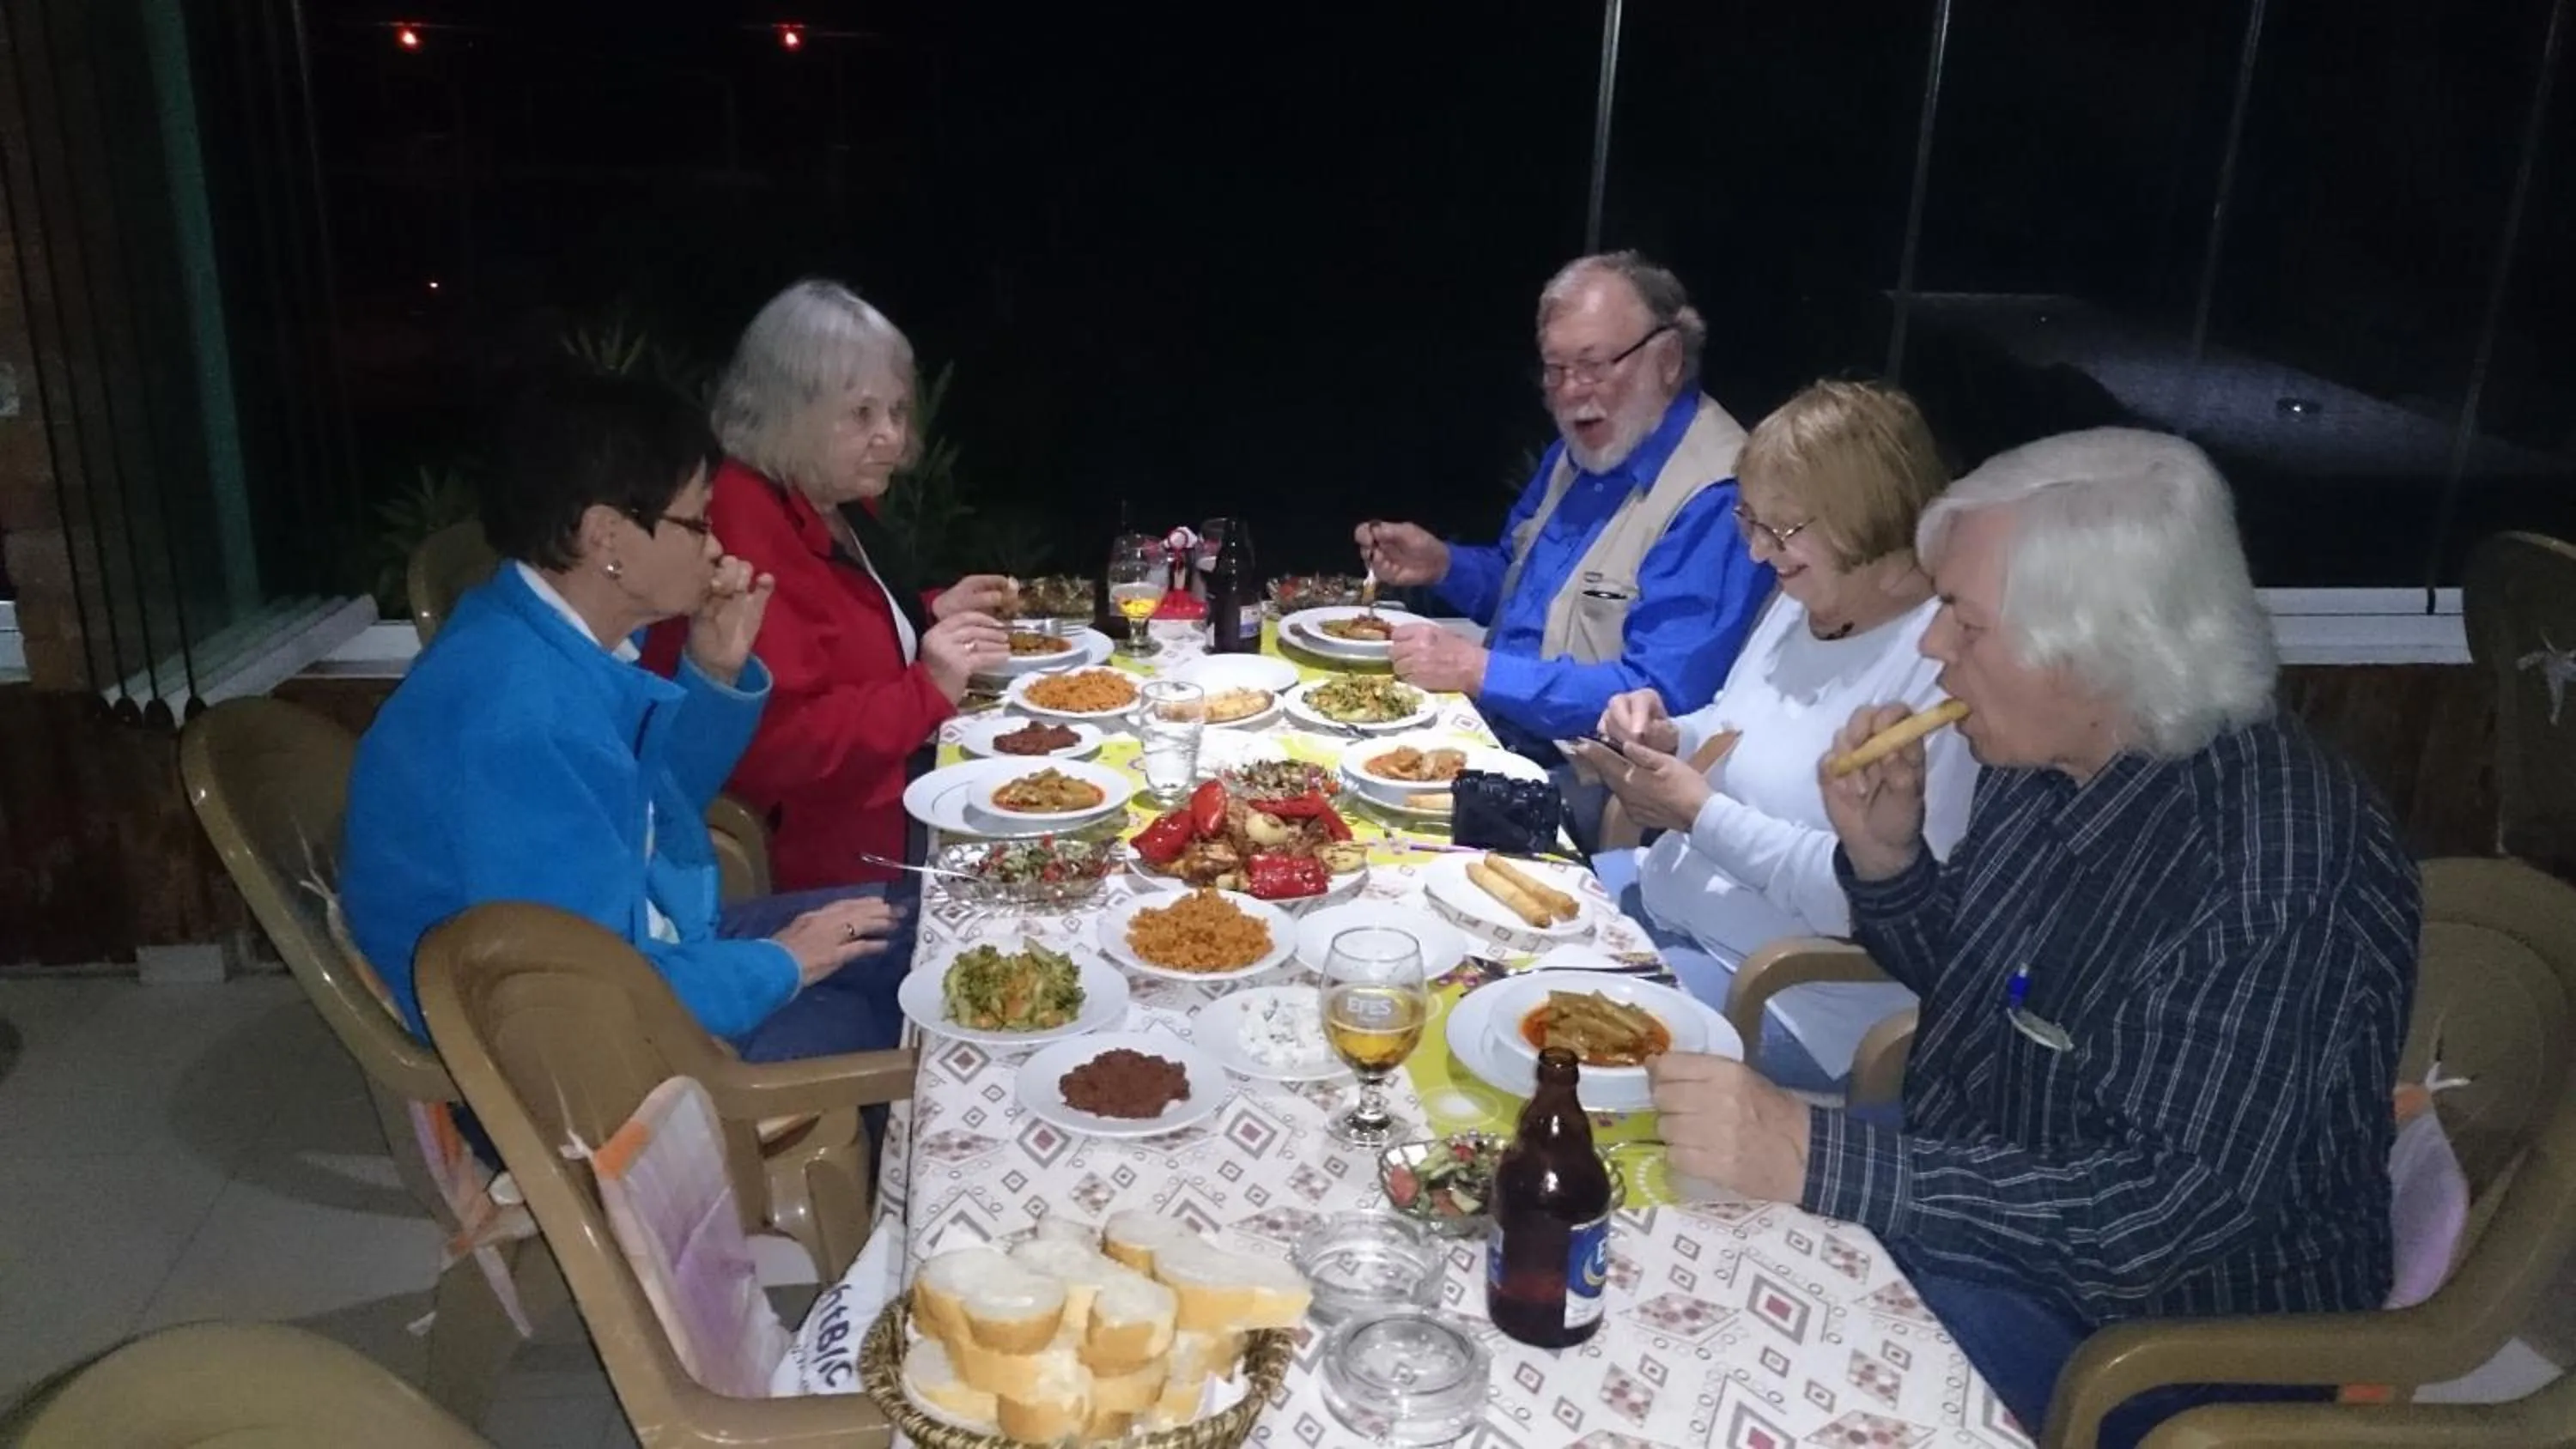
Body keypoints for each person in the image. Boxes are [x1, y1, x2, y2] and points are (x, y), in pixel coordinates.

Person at [1641, 429, 2418, 1446]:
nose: (1929, 649)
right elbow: (1987, 994)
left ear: (2090, 647)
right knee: (1658, 1198)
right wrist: (1890, 864)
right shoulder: (2046, 755)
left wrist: (1821, 1158)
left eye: (1961, 619)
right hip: (1988, 1183)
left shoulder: (2278, 865)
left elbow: (2162, 1217)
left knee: (1754, 1378)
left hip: (2162, 1332)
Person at [342, 373, 914, 1064]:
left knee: (935, 932)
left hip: (656, 946)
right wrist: (784, 962)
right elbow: (586, 996)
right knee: (920, 1036)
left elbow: (637, 808)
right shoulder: (517, 717)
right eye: (699, 521)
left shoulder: (550, 639)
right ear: (606, 536)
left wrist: (713, 671)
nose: (717, 546)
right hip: (587, 1062)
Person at [1571, 381, 1973, 1089]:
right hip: (1669, 905)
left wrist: (1698, 814)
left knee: (1547, 1041)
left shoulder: (1947, 667)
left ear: (1867, 517)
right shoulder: (1808, 597)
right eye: (1749, 522)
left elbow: (1873, 901)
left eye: (1782, 530)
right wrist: (1666, 734)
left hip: (1788, 999)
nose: (1758, 554)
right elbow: (1734, 726)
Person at [1354, 252, 1773, 846]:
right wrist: (1442, 565)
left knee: (1374, 835)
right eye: (1556, 369)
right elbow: (1522, 589)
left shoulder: (1717, 496)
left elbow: (1662, 700)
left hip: (1595, 785)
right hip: (1496, 736)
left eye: (1594, 365)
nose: (1572, 393)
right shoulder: (1585, 453)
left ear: (1669, 359)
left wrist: (1479, 670)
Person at [643, 280, 1012, 893]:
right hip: (835, 856)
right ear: (791, 411)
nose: (892, 437)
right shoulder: (740, 524)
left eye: (897, 411)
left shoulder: (826, 499)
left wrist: (927, 611)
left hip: (891, 790)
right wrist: (929, 689)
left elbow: (838, 635)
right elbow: (779, 746)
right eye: (862, 414)